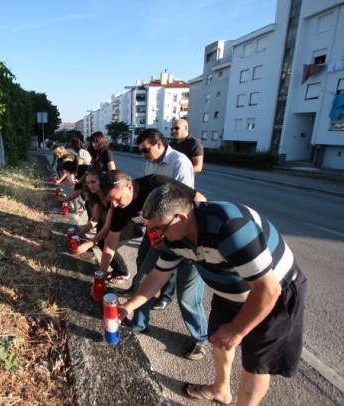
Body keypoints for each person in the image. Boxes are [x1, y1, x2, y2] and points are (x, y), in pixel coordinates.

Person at [120, 184, 306, 405]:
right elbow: (159, 276)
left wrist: (238, 329)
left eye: (160, 228)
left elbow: (268, 289)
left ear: (180, 217)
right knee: (218, 339)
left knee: (256, 363)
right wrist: (128, 307)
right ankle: (220, 390)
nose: (157, 235)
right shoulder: (174, 237)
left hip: (273, 295)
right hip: (230, 290)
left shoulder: (231, 227)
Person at [98, 171, 208, 360]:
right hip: (161, 242)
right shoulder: (120, 209)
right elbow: (111, 242)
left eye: (116, 199)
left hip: (189, 241)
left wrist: (197, 233)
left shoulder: (157, 182)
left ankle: (200, 339)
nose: (114, 205)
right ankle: (139, 323)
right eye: (110, 201)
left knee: (188, 296)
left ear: (129, 186)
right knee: (142, 280)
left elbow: (200, 199)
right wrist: (100, 275)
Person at [133, 129, 194, 311]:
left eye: (146, 150)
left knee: (167, 260)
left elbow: (184, 197)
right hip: (153, 220)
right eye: (141, 151)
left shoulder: (180, 162)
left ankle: (166, 295)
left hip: (171, 221)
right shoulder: (151, 162)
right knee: (142, 255)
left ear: (159, 144)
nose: (144, 155)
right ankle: (139, 287)